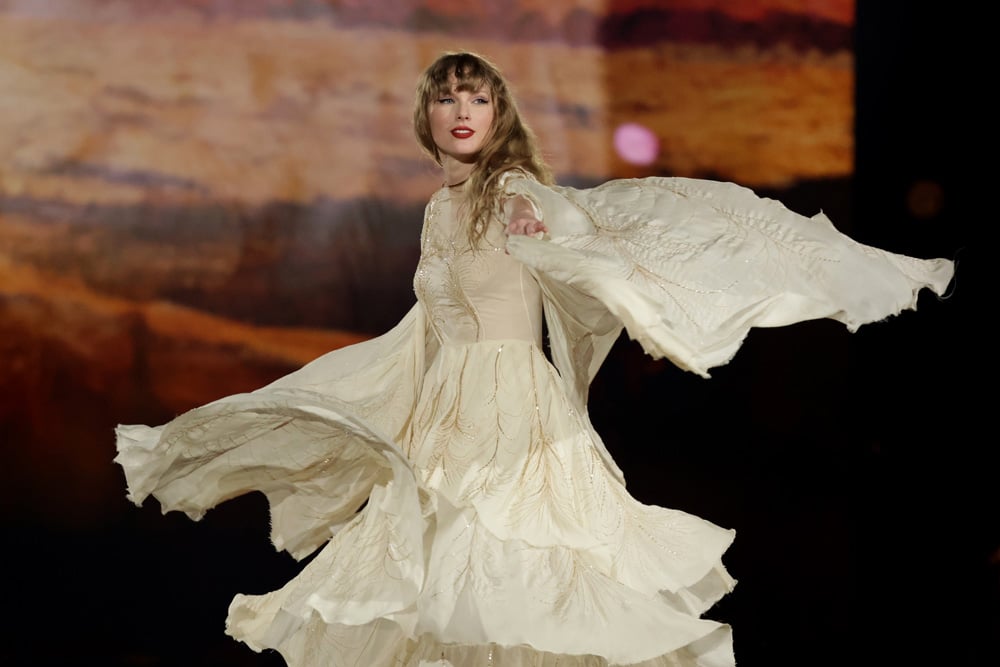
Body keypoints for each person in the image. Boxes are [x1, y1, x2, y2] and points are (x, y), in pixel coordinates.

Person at [115, 51, 955, 666]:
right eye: (446, 98)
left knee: (522, 587)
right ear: (429, 119)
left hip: (516, 419)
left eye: (475, 96)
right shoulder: (434, 213)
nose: (460, 110)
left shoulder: (514, 191)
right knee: (434, 606)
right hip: (446, 424)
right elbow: (425, 333)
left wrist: (560, 239)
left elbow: (579, 238)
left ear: (498, 112)